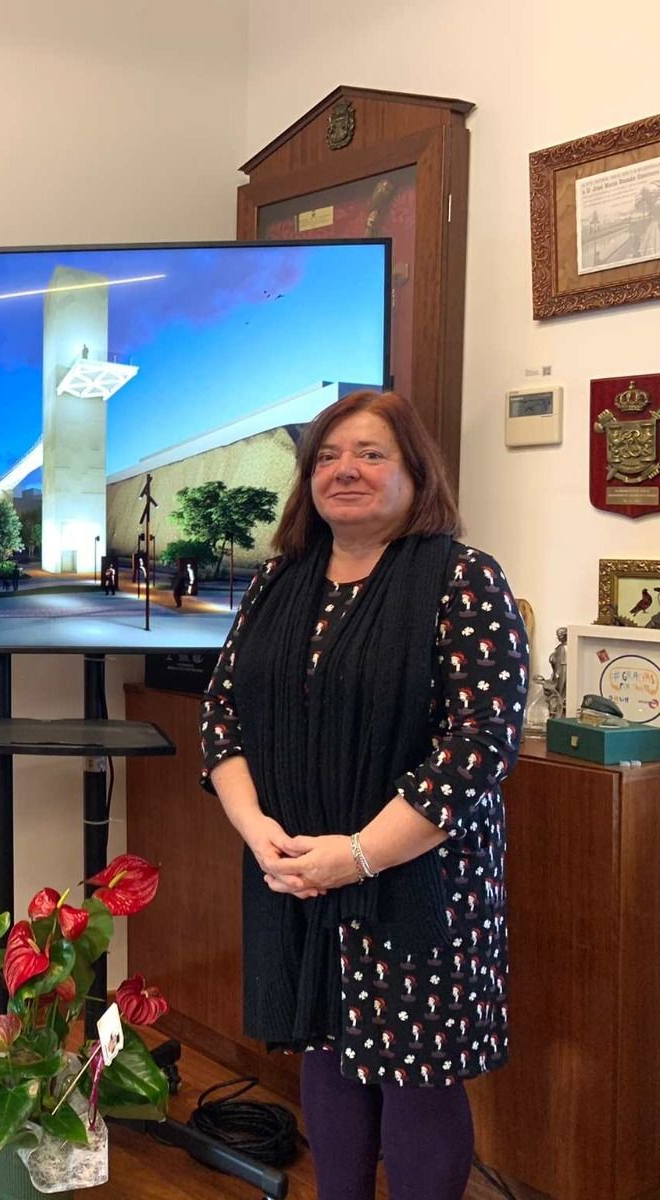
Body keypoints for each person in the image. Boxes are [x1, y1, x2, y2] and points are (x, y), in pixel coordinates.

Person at [200, 390, 523, 1200]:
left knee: (416, 1071)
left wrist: (356, 856)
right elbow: (223, 715)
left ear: (417, 473)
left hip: (418, 877)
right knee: (329, 1051)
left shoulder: (462, 578)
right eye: (328, 456)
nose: (346, 470)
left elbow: (477, 746)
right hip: (297, 866)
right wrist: (259, 834)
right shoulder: (280, 580)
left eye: (372, 454)